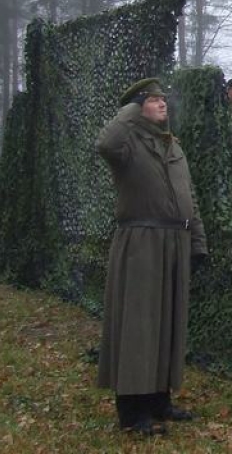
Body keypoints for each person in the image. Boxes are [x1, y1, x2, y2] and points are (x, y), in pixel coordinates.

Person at [95, 78, 208, 435]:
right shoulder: (126, 142)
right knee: (139, 325)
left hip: (176, 240)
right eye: (154, 100)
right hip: (142, 241)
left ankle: (160, 400)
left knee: (167, 324)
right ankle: (132, 412)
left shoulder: (173, 146)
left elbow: (189, 195)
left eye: (163, 99)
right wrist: (131, 106)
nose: (163, 104)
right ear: (138, 105)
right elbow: (105, 143)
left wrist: (198, 242)